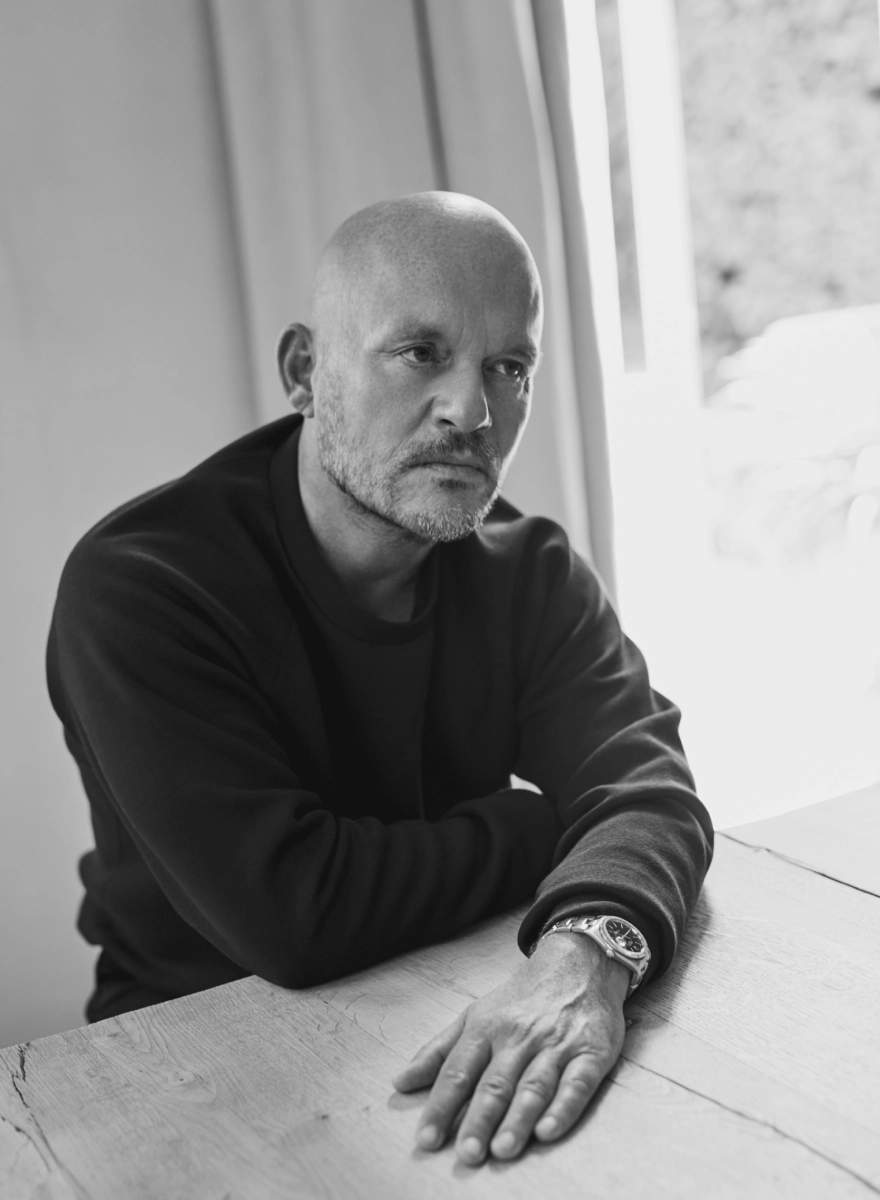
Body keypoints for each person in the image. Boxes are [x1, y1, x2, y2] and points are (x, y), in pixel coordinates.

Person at [47, 191, 713, 1166]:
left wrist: (588, 951)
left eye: (508, 365)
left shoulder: (527, 570)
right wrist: (540, 825)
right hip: (188, 1069)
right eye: (422, 352)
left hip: (468, 1002)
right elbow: (294, 916)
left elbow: (649, 792)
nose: (473, 409)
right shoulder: (144, 587)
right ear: (306, 371)